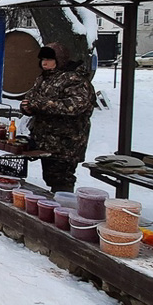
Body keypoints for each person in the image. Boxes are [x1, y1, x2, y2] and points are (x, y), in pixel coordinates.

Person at [20, 42, 94, 193]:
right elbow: (31, 98)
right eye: (42, 59)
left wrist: (39, 104)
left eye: (49, 59)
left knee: (62, 179)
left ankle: (64, 210)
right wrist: (26, 107)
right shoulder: (43, 79)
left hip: (66, 142)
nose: (44, 62)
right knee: (52, 176)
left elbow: (75, 105)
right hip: (46, 139)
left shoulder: (74, 79)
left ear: (59, 60)